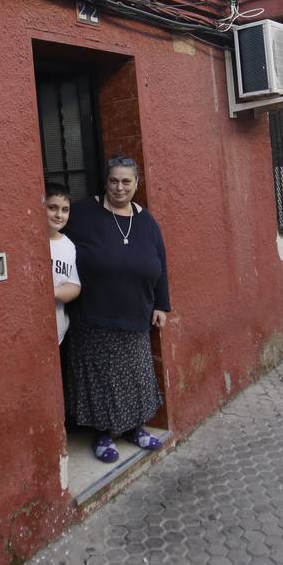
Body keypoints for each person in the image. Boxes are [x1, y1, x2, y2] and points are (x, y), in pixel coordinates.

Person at [60, 156, 171, 464]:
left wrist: (162, 304)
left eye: (126, 181)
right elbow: (54, 233)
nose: (119, 187)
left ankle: (134, 428)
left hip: (136, 312)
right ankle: (104, 434)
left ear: (136, 184)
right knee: (101, 379)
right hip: (93, 313)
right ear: (105, 182)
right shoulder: (83, 213)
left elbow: (160, 264)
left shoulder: (146, 221)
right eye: (114, 181)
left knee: (136, 376)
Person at [44, 182, 81, 344]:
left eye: (65, 210)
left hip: (58, 330)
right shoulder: (27, 242)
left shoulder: (68, 247)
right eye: (52, 208)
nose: (59, 215)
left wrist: (52, 292)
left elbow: (74, 286)